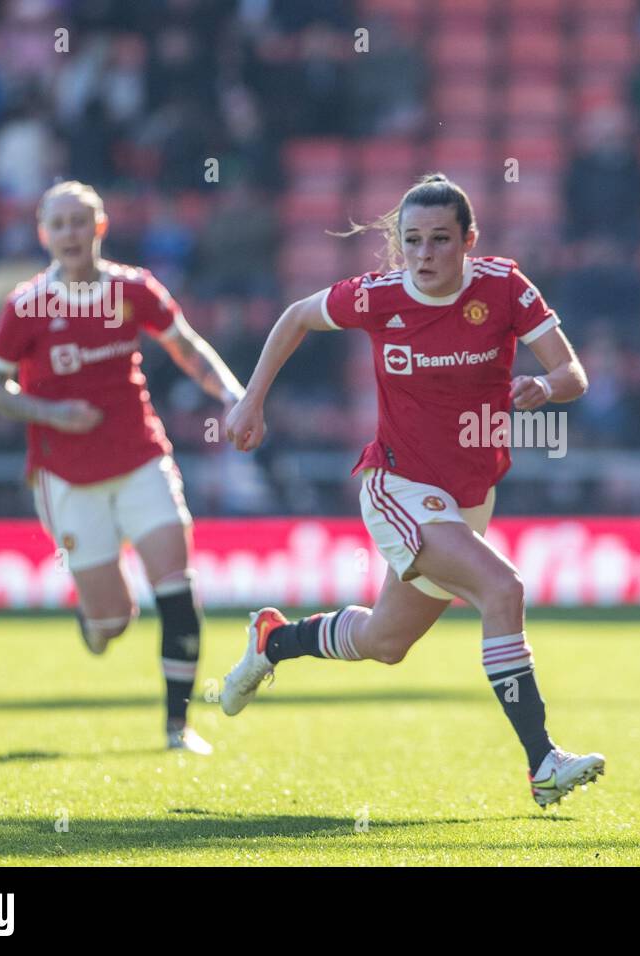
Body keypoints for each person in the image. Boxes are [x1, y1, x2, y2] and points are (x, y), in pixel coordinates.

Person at [221, 173, 605, 807]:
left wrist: (546, 387)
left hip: (469, 496)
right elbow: (295, 317)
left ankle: (274, 641)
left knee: (385, 642)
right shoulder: (375, 296)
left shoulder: (505, 287)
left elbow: (573, 372)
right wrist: (251, 399)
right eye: (413, 241)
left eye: (439, 240)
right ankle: (543, 762)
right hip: (397, 483)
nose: (424, 255)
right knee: (503, 588)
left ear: (468, 241)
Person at [0, 180, 246, 754]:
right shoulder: (26, 306)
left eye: (81, 221)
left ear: (100, 227)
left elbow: (189, 348)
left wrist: (233, 396)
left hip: (141, 457)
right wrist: (50, 411)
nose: (70, 233)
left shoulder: (133, 289)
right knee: (114, 622)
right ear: (43, 234)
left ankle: (178, 729)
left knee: (176, 584)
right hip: (66, 477)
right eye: (59, 223)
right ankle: (95, 621)